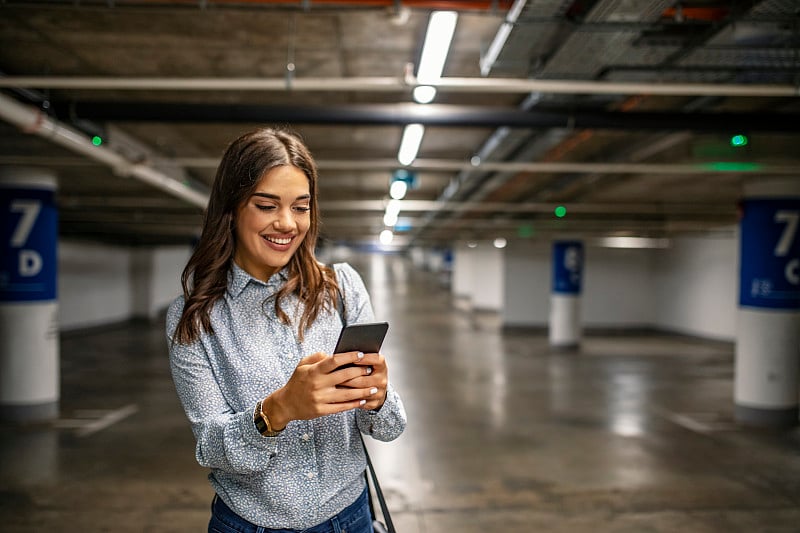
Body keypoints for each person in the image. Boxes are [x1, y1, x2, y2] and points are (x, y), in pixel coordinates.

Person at [166, 126, 407, 533]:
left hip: (351, 517)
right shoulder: (194, 319)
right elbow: (210, 447)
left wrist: (378, 396)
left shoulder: (341, 288)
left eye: (301, 206)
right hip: (251, 524)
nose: (287, 223)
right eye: (266, 205)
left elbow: (387, 428)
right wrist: (279, 409)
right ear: (232, 208)